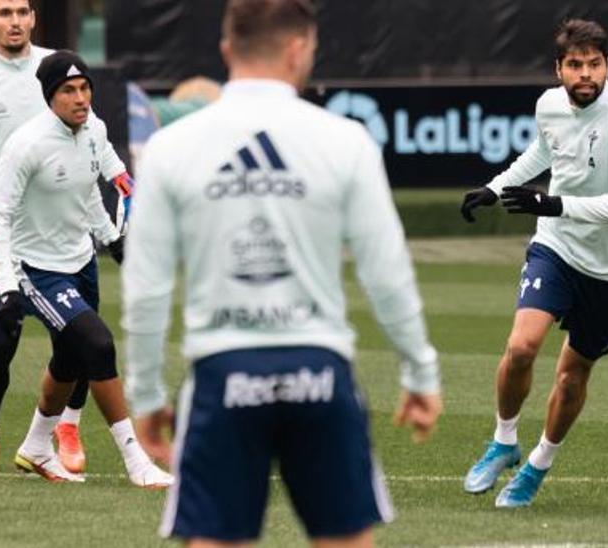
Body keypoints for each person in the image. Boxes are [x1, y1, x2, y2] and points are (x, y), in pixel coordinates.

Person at [120, 0, 443, 545]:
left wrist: (148, 395)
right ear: (298, 49)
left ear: (227, 49)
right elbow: (385, 271)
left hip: (223, 374)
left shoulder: (170, 148)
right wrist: (419, 373)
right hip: (319, 370)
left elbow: (147, 286)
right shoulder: (345, 140)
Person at [459, 18, 608, 508]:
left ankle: (538, 465)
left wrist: (554, 203)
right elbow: (543, 152)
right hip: (558, 246)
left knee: (573, 374)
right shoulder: (549, 105)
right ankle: (504, 441)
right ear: (559, 69)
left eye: (594, 64)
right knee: (521, 346)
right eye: (575, 65)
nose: (585, 74)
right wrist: (496, 186)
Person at [0, 0, 122, 476]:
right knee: (1, 341)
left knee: (82, 338)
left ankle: (68, 427)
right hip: (6, 238)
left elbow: (89, 144)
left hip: (64, 231)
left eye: (22, 11)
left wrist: (111, 202)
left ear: (34, 17)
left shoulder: (58, 70)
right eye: (4, 12)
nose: (15, 21)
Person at [0, 50, 173, 489]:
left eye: (85, 87)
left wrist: (111, 238)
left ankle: (35, 447)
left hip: (81, 261)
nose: (80, 98)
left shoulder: (95, 130)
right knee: (98, 345)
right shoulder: (25, 144)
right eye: (69, 90)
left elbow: (92, 187)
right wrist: (9, 287)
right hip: (37, 269)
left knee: (69, 359)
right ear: (50, 96)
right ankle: (137, 461)